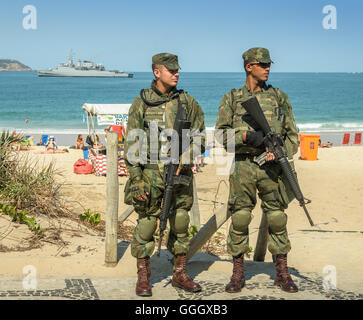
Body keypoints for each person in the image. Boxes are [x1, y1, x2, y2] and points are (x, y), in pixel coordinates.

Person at [215, 48, 299, 293]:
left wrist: (281, 152)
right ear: (248, 67)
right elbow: (221, 135)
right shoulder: (232, 98)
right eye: (261, 64)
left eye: (268, 64)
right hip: (243, 166)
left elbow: (292, 135)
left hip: (272, 168)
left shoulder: (279, 97)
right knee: (240, 217)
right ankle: (237, 272)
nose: (267, 68)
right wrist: (244, 136)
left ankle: (282, 273)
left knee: (277, 217)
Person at [124, 53, 205, 297]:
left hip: (179, 174)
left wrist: (187, 155)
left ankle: (180, 272)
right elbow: (131, 146)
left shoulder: (188, 102)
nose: (176, 73)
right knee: (147, 224)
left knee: (181, 222)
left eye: (177, 70)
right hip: (150, 175)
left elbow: (200, 135)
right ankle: (144, 275)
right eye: (170, 70)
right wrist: (136, 179)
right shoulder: (141, 103)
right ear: (156, 72)